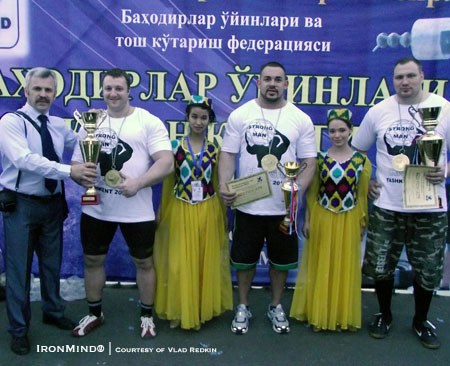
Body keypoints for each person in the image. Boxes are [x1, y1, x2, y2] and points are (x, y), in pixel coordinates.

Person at [352, 57, 450, 349]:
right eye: (399, 77)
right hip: (387, 205)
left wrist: (445, 171)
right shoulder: (379, 112)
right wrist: (366, 181)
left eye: (410, 76)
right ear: (393, 80)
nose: (404, 82)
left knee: (428, 268)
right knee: (381, 266)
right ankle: (384, 314)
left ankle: (421, 321)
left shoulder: (444, 110)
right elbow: (357, 151)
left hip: (430, 208)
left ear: (422, 76)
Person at [0, 67, 98, 355]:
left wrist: (97, 134)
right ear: (26, 91)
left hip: (53, 204)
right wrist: (71, 171)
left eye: (49, 90)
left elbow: (82, 147)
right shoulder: (11, 122)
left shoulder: (58, 124)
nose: (43, 95)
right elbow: (24, 160)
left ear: (55, 93)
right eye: (38, 89)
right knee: (19, 270)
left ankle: (53, 311)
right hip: (21, 205)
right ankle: (18, 329)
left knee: (51, 264)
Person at [71, 68, 173, 339]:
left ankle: (147, 316)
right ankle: (94, 313)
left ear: (129, 91)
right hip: (97, 207)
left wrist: (138, 183)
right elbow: (75, 163)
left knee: (144, 263)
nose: (113, 93)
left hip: (136, 209)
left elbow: (166, 161)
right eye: (108, 88)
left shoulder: (147, 121)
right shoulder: (91, 121)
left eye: (119, 88)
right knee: (93, 259)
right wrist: (83, 175)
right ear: (102, 91)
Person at [218, 61, 317, 334]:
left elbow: (309, 161)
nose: (272, 84)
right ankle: (243, 306)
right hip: (247, 204)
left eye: (278, 79)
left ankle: (276, 305)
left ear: (286, 84)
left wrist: (296, 193)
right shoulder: (241, 115)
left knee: (281, 261)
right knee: (244, 260)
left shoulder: (300, 119)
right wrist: (225, 184)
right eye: (267, 79)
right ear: (258, 83)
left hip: (283, 208)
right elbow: (227, 153)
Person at [154, 95, 233, 330]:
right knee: (180, 260)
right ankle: (180, 308)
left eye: (204, 117)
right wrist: (162, 211)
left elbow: (220, 183)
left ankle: (199, 308)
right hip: (181, 208)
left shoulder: (215, 149)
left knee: (202, 260)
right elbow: (168, 184)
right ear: (187, 117)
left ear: (210, 120)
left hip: (208, 209)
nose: (199, 122)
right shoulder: (175, 147)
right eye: (194, 116)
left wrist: (223, 213)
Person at [290, 109, 371, 331]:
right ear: (326, 132)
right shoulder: (319, 159)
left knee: (343, 266)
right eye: (332, 131)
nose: (337, 135)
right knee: (322, 263)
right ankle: (319, 313)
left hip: (348, 219)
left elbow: (362, 195)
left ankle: (339, 315)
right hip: (323, 217)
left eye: (342, 130)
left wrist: (362, 222)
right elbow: (312, 193)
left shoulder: (361, 161)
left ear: (350, 131)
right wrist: (307, 220)